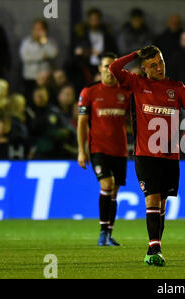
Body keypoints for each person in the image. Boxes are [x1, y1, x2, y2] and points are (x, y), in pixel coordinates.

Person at [109, 45, 185, 266]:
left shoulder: (176, 88)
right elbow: (113, 67)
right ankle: (156, 247)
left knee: (162, 206)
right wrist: (135, 54)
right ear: (144, 68)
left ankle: (152, 248)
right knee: (152, 200)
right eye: (153, 64)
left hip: (170, 156)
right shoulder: (137, 83)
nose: (159, 67)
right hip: (145, 155)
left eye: (161, 62)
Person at [77, 53, 132, 246]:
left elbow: (132, 121)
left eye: (113, 67)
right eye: (106, 66)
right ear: (99, 69)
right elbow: (82, 123)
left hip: (120, 151)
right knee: (107, 185)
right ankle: (102, 232)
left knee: (114, 193)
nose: (109, 70)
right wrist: (81, 151)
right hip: (98, 149)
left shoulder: (125, 94)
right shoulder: (89, 93)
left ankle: (108, 233)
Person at [19, 19, 58, 103]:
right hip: (30, 78)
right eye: (35, 29)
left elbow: (53, 53)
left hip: (45, 79)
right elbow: (25, 58)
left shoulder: (49, 42)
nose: (37, 31)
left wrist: (44, 41)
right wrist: (42, 56)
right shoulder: (26, 42)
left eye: (40, 29)